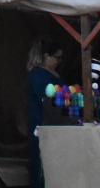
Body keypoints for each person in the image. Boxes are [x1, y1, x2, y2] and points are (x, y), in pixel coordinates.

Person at [24, 37, 65, 188]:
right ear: (46, 56)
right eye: (57, 57)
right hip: (40, 123)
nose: (59, 61)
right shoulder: (37, 75)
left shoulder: (52, 74)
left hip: (55, 124)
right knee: (41, 164)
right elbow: (47, 98)